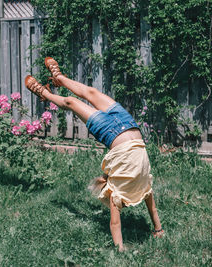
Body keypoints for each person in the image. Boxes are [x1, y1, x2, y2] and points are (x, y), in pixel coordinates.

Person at [25, 57, 164, 251]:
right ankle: (59, 77)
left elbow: (115, 225)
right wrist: (158, 229)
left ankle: (44, 93)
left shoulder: (117, 193)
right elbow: (153, 208)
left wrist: (121, 250)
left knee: (71, 102)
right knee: (92, 93)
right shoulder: (145, 186)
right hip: (129, 123)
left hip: (110, 132)